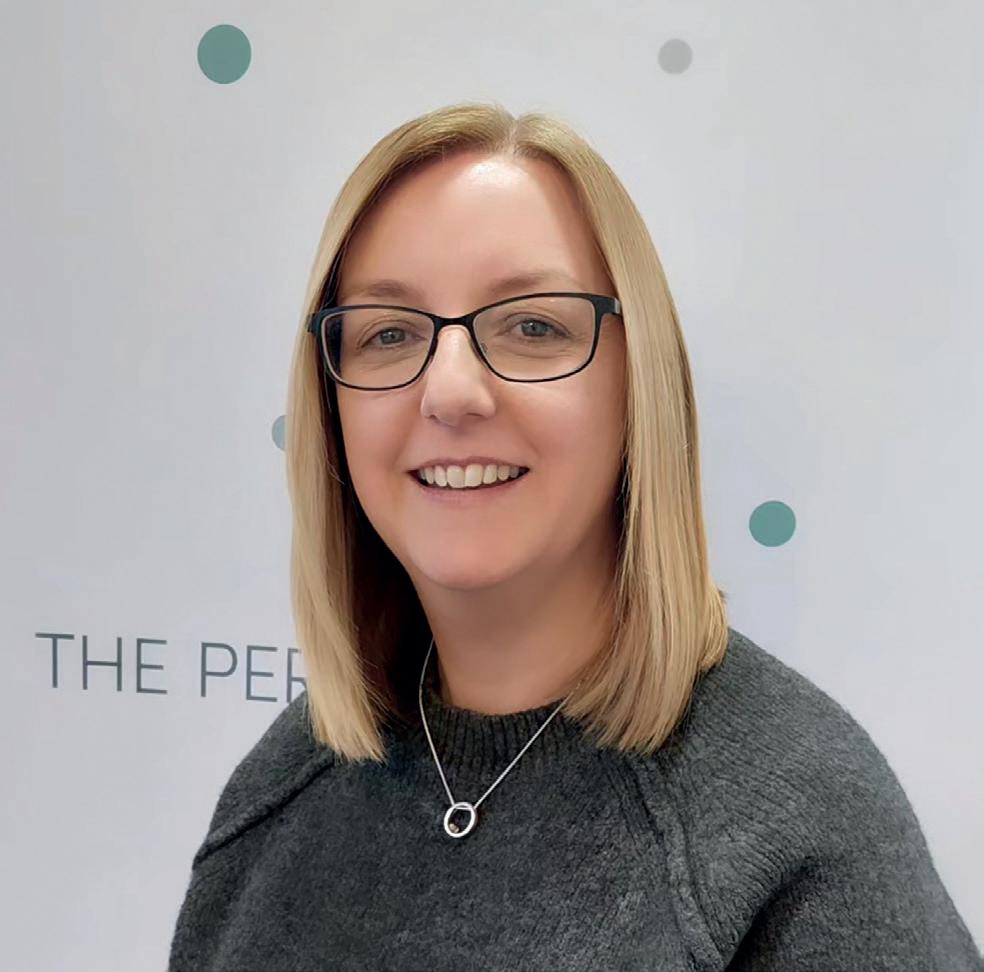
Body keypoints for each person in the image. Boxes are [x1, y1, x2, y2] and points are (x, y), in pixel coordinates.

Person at [167, 101, 982, 971]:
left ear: (639, 386)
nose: (450, 392)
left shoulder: (803, 827)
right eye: (389, 333)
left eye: (532, 326)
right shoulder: (280, 793)